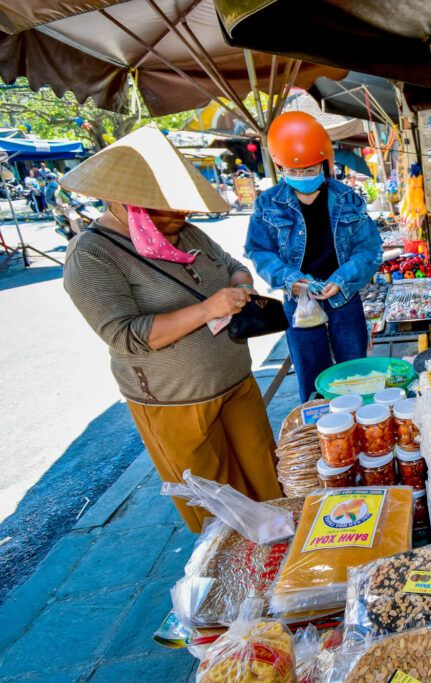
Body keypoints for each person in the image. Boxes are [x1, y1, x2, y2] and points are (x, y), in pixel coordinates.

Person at [61, 126, 282, 532]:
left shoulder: (186, 232)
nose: (183, 215)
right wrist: (207, 309)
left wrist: (241, 285)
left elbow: (232, 265)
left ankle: (281, 551)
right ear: (127, 203)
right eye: (169, 208)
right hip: (176, 402)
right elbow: (125, 336)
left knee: (268, 480)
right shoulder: (92, 254)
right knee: (219, 510)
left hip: (235, 382)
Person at [246, 111, 383, 401]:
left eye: (309, 170)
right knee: (312, 381)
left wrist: (342, 279)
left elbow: (369, 249)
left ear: (325, 164)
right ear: (280, 167)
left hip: (343, 298)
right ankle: (320, 425)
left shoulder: (349, 200)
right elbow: (259, 251)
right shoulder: (267, 204)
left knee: (356, 376)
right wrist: (290, 280)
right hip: (299, 302)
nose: (302, 177)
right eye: (293, 171)